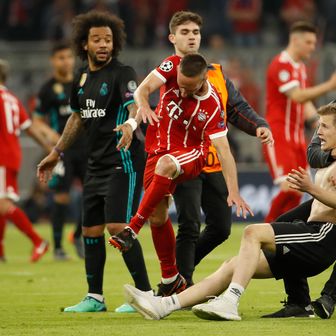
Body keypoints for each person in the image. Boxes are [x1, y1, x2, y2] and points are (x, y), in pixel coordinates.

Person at [123, 102, 336, 321]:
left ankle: (230, 301)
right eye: (319, 125)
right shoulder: (327, 155)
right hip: (308, 237)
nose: (318, 131)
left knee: (253, 233)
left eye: (325, 127)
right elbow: (313, 155)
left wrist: (310, 188)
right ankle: (164, 305)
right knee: (233, 266)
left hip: (322, 237)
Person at [109, 53, 253, 296]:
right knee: (158, 214)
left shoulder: (212, 105)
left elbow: (225, 151)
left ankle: (132, 228)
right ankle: (171, 278)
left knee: (167, 166)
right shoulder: (173, 64)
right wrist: (143, 106)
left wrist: (234, 190)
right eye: (180, 84)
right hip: (155, 150)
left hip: (190, 155)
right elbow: (142, 89)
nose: (182, 92)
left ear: (203, 78)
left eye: (189, 87)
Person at [37, 11, 152, 313]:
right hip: (95, 163)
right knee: (90, 230)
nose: (104, 45)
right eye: (97, 39)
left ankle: (146, 294)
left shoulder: (123, 73)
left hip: (122, 161)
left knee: (117, 226)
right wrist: (57, 152)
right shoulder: (81, 77)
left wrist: (130, 125)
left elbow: (135, 106)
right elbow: (77, 117)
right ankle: (95, 298)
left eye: (109, 40)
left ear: (116, 44)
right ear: (84, 44)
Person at [161, 11, 273, 289]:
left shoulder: (216, 72)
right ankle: (181, 286)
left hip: (213, 160)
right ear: (172, 37)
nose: (191, 37)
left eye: (195, 32)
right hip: (184, 160)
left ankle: (176, 275)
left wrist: (257, 124)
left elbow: (236, 108)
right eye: (185, 32)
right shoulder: (165, 73)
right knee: (188, 225)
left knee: (221, 228)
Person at [263, 109, 336, 319]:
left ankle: (330, 296)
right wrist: (332, 155)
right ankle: (299, 301)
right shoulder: (332, 111)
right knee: (282, 224)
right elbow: (313, 153)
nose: (320, 129)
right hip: (328, 190)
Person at [264, 21, 336, 223]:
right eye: (309, 42)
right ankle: (264, 230)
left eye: (314, 43)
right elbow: (296, 96)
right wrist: (329, 85)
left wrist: (319, 123)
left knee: (297, 190)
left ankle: (278, 236)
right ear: (295, 40)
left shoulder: (300, 68)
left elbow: (304, 103)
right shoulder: (281, 64)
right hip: (279, 135)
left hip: (296, 137)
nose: (312, 47)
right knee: (288, 186)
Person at [0, 58, 57, 262]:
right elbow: (29, 127)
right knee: (2, 202)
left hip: (2, 157)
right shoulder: (12, 99)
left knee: (3, 204)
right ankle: (0, 252)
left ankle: (38, 241)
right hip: (12, 156)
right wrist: (49, 148)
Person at [33, 41, 86, 260]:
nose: (66, 61)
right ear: (53, 61)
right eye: (61, 57)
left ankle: (77, 235)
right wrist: (51, 135)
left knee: (95, 196)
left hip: (87, 148)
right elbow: (36, 120)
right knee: (62, 197)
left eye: (69, 57)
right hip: (64, 151)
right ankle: (57, 248)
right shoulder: (48, 89)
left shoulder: (81, 82)